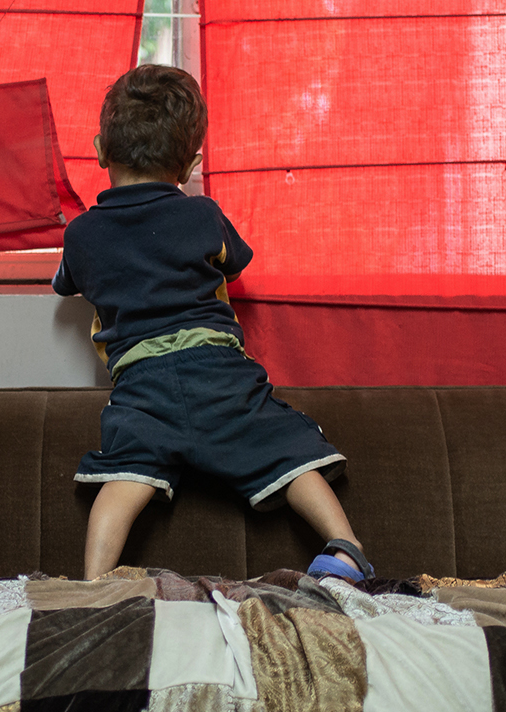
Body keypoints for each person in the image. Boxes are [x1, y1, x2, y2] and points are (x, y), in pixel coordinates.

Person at [52, 64, 372, 584]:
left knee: (124, 473)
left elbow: (67, 282)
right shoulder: (202, 215)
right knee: (290, 447)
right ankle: (347, 548)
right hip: (218, 370)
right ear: (192, 163)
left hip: (142, 382)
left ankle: (94, 582)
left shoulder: (83, 234)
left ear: (100, 150)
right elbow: (235, 261)